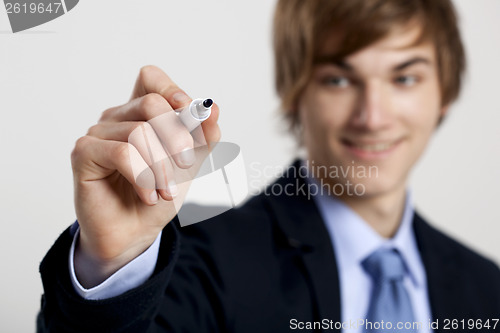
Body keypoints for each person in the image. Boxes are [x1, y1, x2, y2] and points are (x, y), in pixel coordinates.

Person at [37, 0, 500, 332]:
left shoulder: (487, 288)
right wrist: (113, 261)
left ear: (446, 91)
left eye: (405, 77)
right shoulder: (203, 262)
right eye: (338, 78)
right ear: (295, 93)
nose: (373, 116)